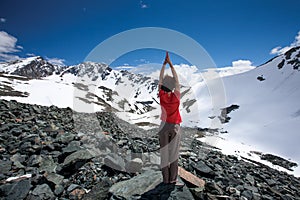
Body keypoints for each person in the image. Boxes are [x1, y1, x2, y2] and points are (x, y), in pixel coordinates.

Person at [158, 51, 182, 185]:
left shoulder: (161, 94)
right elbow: (177, 80)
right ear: (172, 86)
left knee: (164, 155)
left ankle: (165, 180)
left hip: (163, 126)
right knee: (173, 155)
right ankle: (173, 179)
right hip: (175, 126)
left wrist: (163, 65)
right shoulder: (176, 96)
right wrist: (171, 64)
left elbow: (160, 79)